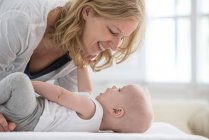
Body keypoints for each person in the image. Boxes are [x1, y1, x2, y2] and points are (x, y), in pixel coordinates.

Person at [0, 0, 145, 131]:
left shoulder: (78, 53)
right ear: (87, 12)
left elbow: (65, 101)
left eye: (122, 38)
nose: (114, 47)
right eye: (113, 31)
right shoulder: (22, 20)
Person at [0, 72, 153, 132]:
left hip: (32, 116)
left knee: (19, 81)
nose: (113, 87)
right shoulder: (95, 123)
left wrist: (31, 84)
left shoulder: (92, 108)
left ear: (116, 111)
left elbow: (60, 95)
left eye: (119, 89)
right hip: (29, 122)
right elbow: (87, 91)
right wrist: (82, 65)